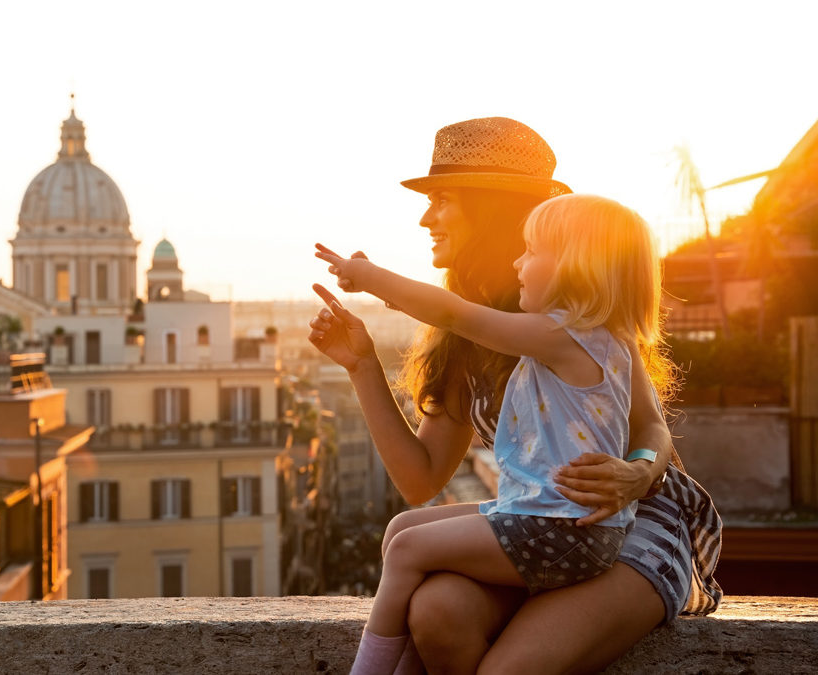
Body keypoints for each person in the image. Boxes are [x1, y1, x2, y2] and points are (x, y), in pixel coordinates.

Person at [307, 117, 721, 674]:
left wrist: (639, 472)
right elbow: (421, 477)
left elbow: (651, 427)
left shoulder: (576, 321)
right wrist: (362, 366)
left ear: (492, 210)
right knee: (435, 611)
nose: (426, 218)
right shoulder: (467, 337)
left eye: (442, 200)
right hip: (536, 520)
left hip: (627, 521)